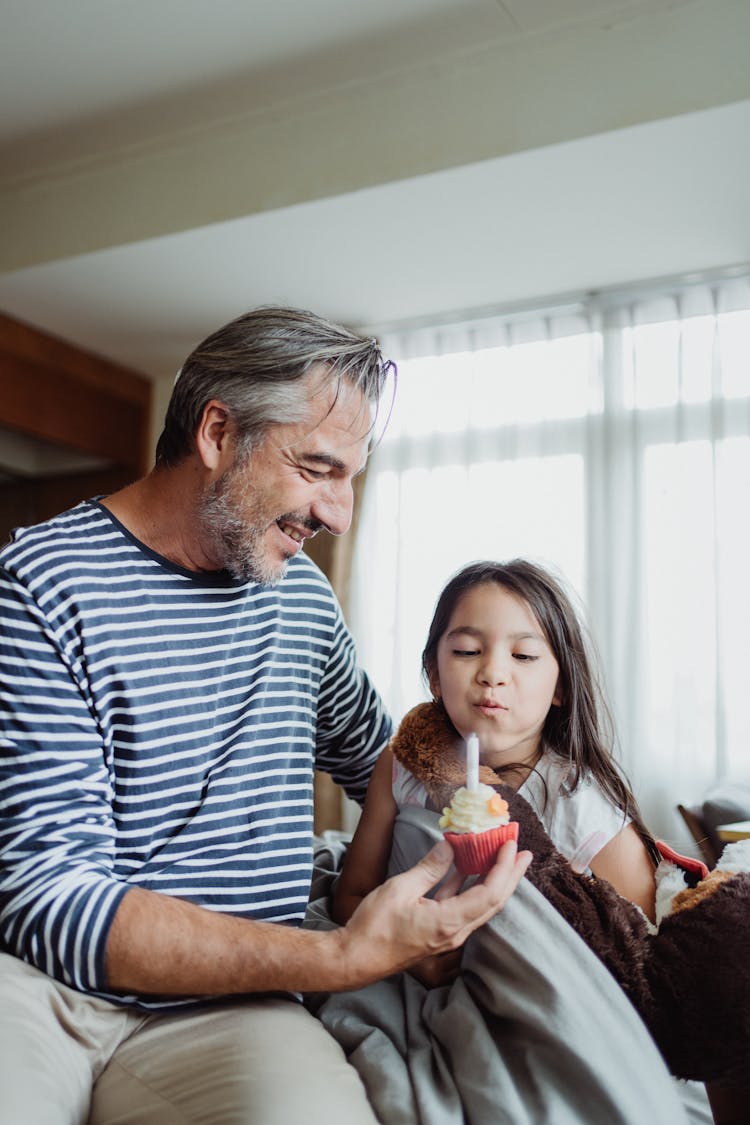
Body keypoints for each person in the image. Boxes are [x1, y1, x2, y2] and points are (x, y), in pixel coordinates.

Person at [0, 309, 531, 1125]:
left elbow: (388, 759)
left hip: (234, 1006)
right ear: (218, 431)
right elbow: (50, 896)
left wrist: (544, 788)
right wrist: (339, 955)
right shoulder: (38, 585)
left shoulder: (302, 602)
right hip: (41, 992)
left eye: (350, 476)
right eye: (318, 467)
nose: (339, 513)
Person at [333, 558, 659, 986]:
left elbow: (641, 955)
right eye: (467, 652)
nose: (492, 674)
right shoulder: (399, 769)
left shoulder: (584, 808)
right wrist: (409, 955)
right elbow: (351, 897)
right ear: (433, 673)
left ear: (561, 686)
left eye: (523, 655)